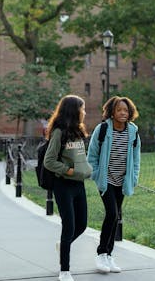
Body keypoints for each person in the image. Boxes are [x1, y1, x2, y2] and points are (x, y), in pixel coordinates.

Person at [87, 96, 141, 274]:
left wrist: (133, 177)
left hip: (122, 181)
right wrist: (96, 174)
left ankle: (109, 256)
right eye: (119, 110)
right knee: (112, 213)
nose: (123, 113)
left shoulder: (133, 131)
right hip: (106, 180)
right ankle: (101, 253)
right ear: (112, 112)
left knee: (116, 217)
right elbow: (92, 155)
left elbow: (136, 158)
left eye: (126, 110)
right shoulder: (102, 129)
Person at [43, 95, 92, 281]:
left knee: (82, 224)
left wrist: (85, 170)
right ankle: (64, 270)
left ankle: (62, 245)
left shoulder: (79, 131)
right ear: (74, 110)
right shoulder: (59, 132)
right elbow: (49, 161)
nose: (85, 112)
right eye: (82, 108)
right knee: (69, 225)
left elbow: (79, 157)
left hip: (78, 184)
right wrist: (68, 171)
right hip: (63, 185)